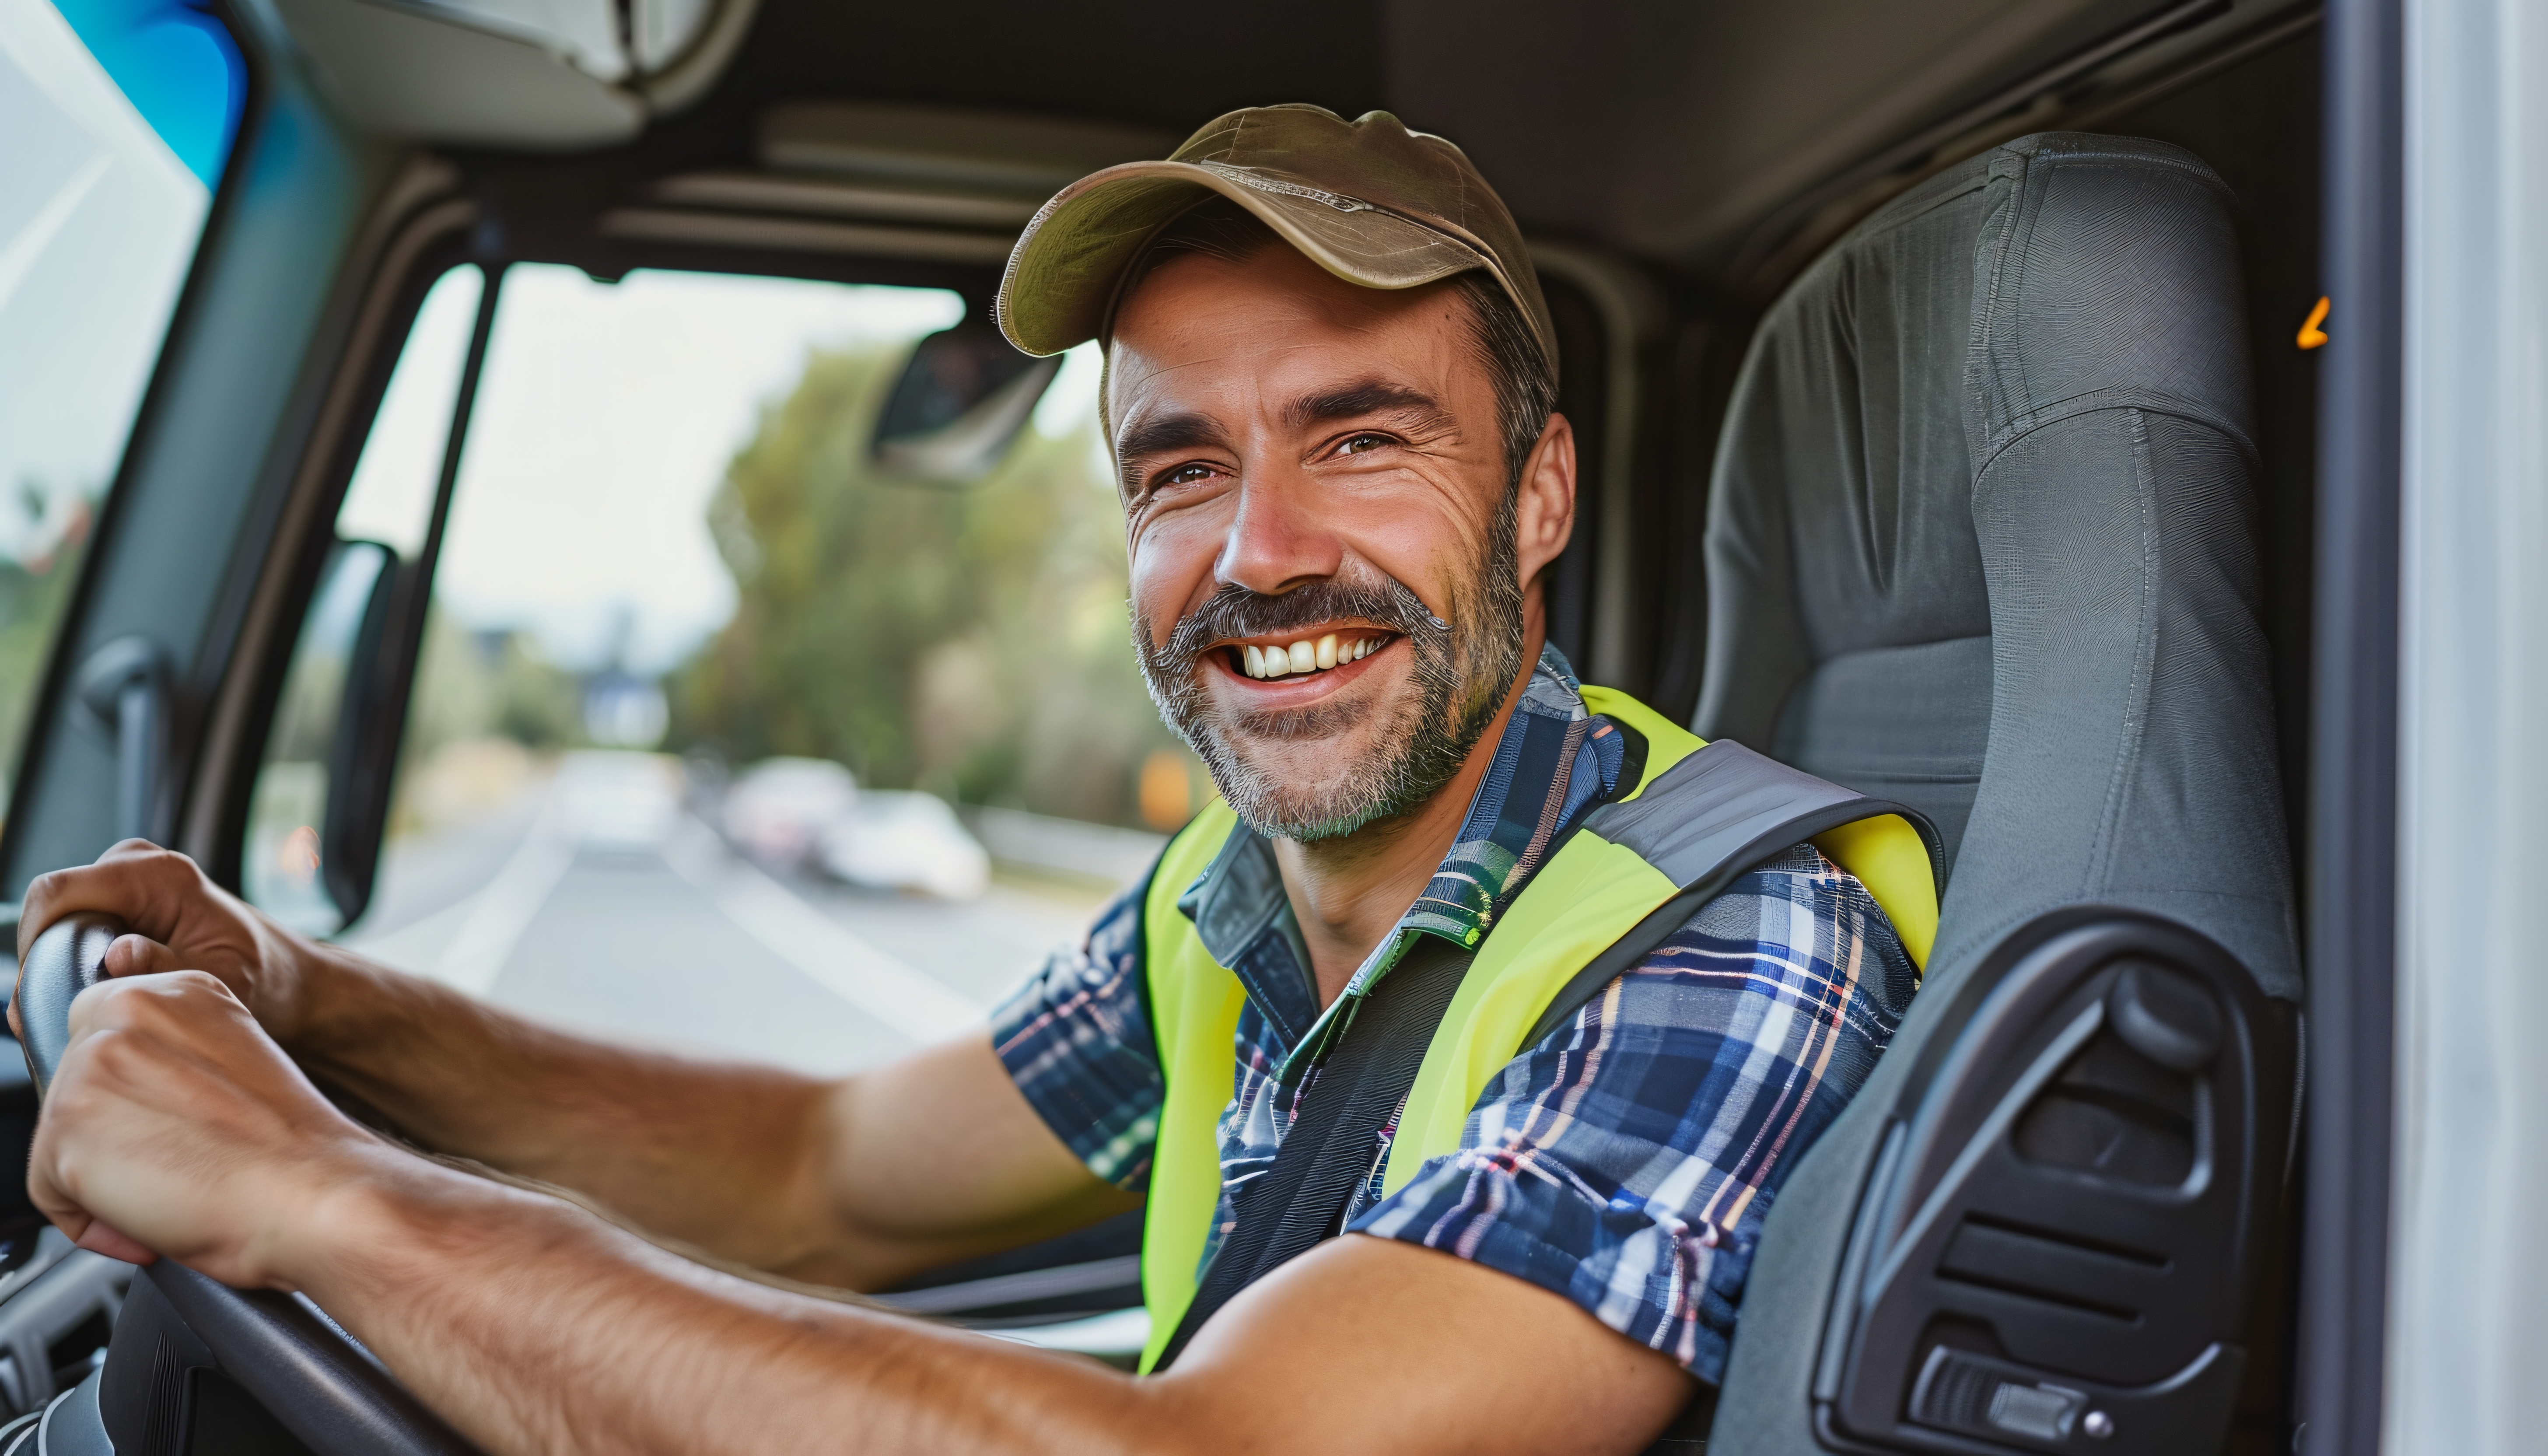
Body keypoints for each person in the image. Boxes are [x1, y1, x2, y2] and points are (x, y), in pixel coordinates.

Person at [14, 105, 1931, 1454]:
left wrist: (329, 1199)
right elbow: (817, 1174)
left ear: (1538, 498)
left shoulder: (1734, 941)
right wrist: (306, 1001)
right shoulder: (1229, 899)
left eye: (1359, 439)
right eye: (1178, 468)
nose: (1258, 554)